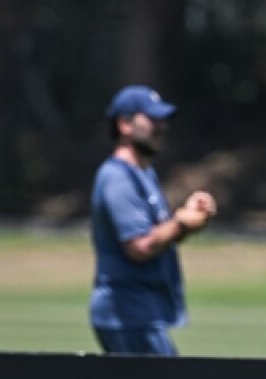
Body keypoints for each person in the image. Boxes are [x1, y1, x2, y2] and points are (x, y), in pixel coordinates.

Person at [89, 85, 217, 355]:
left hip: (141, 313)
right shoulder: (117, 178)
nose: (161, 127)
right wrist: (181, 223)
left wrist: (190, 221)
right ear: (124, 124)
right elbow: (139, 247)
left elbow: (159, 235)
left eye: (163, 120)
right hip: (127, 313)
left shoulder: (144, 174)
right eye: (152, 119)